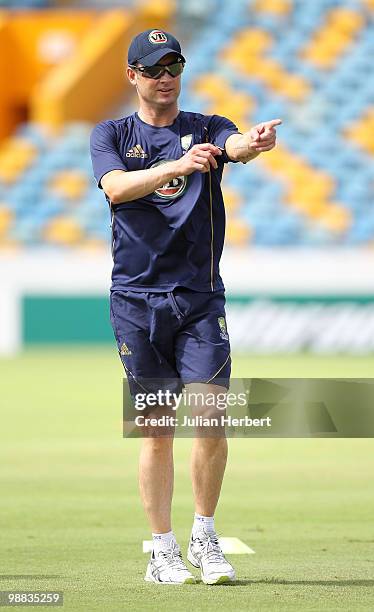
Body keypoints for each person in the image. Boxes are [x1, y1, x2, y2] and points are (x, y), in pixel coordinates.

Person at [90, 28, 281, 585]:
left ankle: (203, 534)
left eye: (172, 64)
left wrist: (253, 142)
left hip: (198, 299)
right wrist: (178, 166)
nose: (164, 75)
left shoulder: (205, 126)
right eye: (152, 68)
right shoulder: (111, 133)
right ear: (133, 77)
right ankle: (161, 549)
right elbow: (117, 188)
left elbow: (234, 144)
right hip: (136, 299)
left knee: (212, 419)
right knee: (156, 430)